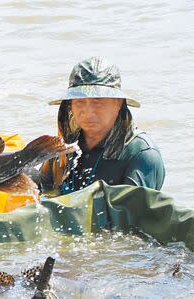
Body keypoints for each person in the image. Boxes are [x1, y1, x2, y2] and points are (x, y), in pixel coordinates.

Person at [39, 57, 165, 195]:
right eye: (80, 103)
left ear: (118, 104)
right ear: (70, 106)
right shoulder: (63, 150)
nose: (88, 112)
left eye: (97, 102)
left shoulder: (142, 155)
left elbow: (131, 213)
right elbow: (42, 191)